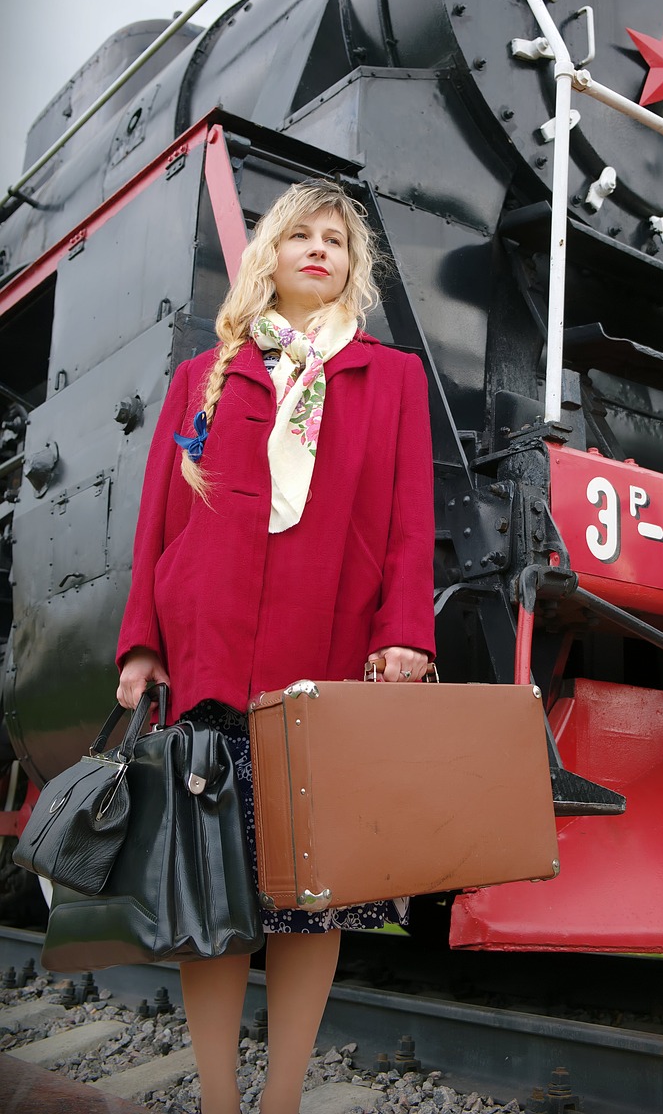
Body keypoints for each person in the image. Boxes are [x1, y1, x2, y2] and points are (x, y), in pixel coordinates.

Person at [115, 179, 436, 1114]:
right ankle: (220, 1100)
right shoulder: (200, 378)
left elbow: (413, 522)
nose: (319, 249)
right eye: (300, 234)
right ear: (270, 254)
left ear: (352, 266)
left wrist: (406, 633)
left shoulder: (394, 379)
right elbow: (159, 522)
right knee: (209, 910)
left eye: (336, 239)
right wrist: (143, 642)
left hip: (324, 670)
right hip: (211, 661)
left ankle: (282, 1099)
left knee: (311, 898)